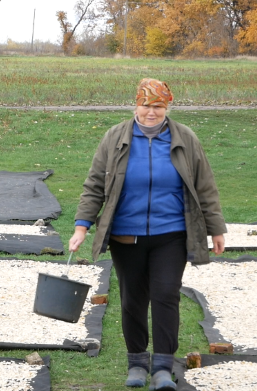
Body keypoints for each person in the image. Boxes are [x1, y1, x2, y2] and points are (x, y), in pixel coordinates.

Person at [68, 78, 226, 390]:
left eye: (157, 106)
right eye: (145, 105)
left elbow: (205, 186)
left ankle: (163, 367)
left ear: (167, 107)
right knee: (132, 300)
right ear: (135, 105)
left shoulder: (186, 138)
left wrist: (216, 228)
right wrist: (81, 226)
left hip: (172, 235)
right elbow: (94, 185)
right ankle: (137, 363)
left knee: (166, 295)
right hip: (126, 236)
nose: (150, 112)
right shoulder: (115, 137)